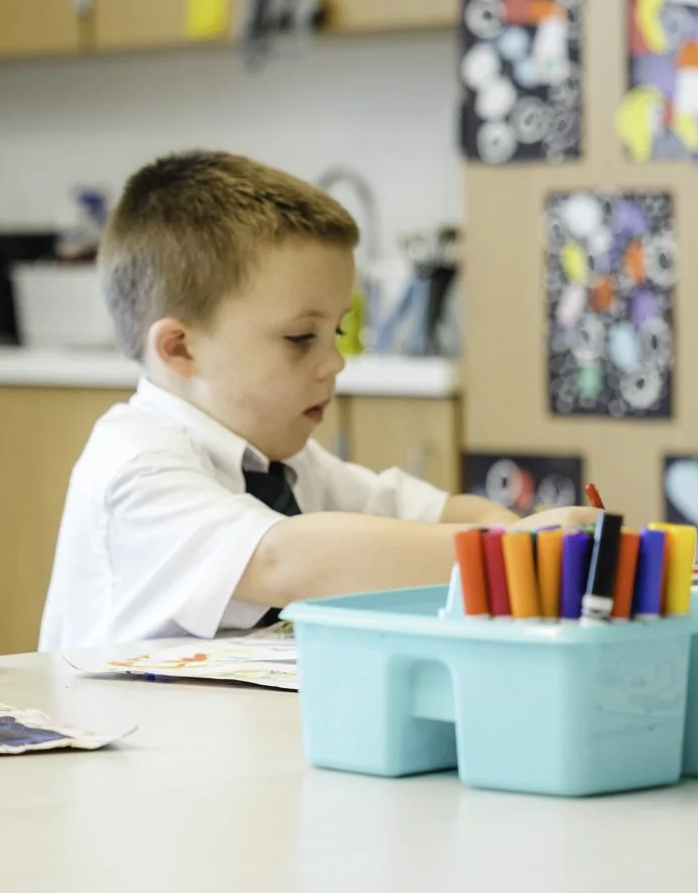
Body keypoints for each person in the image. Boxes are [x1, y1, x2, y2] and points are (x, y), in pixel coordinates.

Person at [40, 151, 593, 649]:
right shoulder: (136, 465)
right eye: (301, 338)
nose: (334, 362)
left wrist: (505, 531)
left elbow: (432, 512)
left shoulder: (283, 463)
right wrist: (504, 553)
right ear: (180, 348)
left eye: (337, 332)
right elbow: (283, 559)